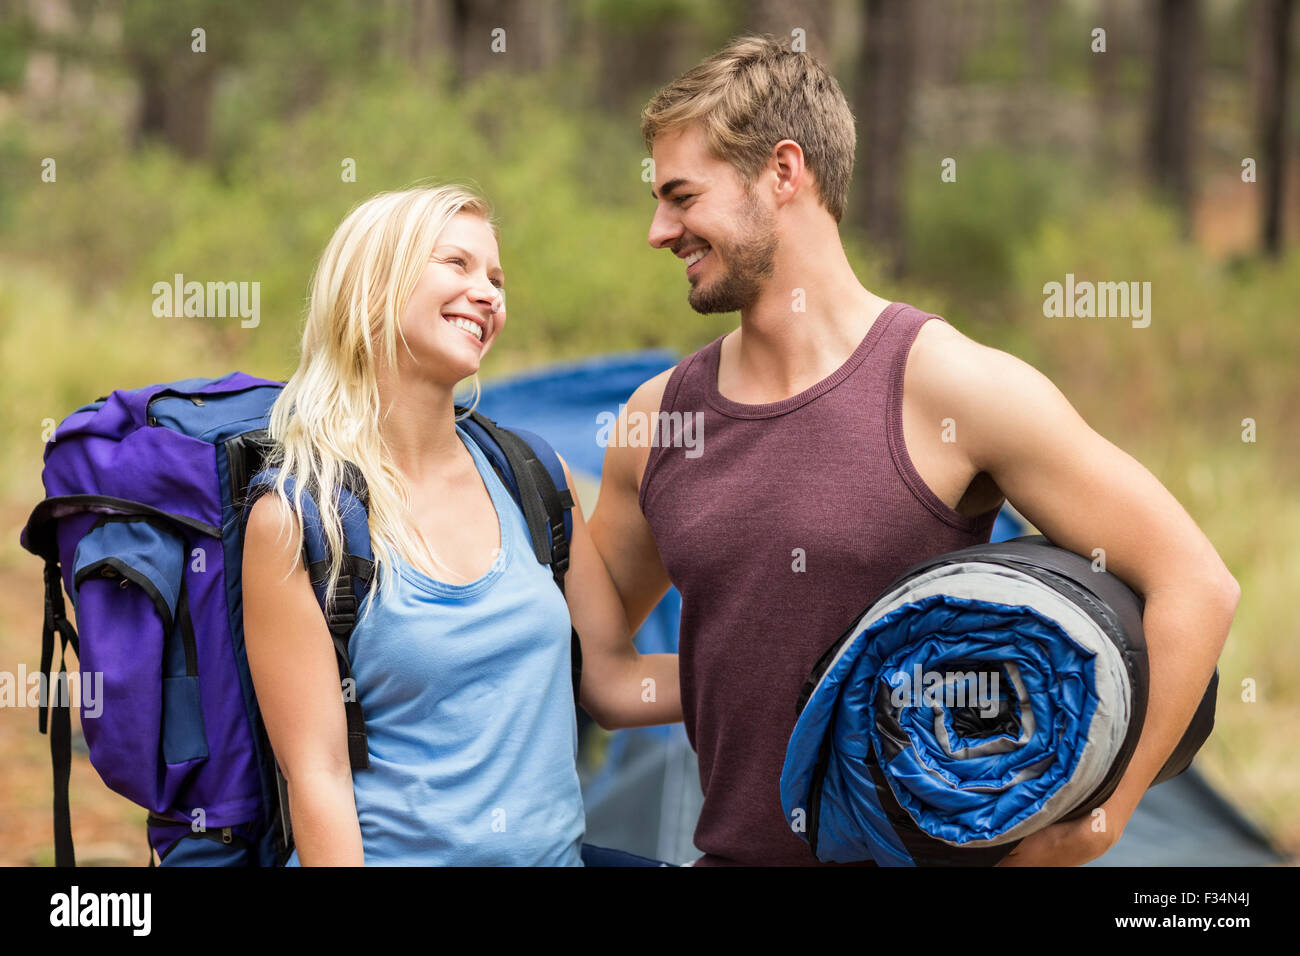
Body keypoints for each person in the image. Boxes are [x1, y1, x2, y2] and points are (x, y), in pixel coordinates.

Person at [587, 34, 1239, 867]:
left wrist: (1100, 823)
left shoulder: (954, 387)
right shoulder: (658, 419)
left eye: (681, 196)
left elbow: (1197, 585)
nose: (657, 231)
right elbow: (606, 675)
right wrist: (516, 482)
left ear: (784, 172)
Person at [241, 184, 681, 866]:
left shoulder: (532, 473)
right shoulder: (301, 517)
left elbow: (614, 683)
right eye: (458, 265)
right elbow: (318, 776)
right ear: (375, 285)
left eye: (496, 278)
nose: (489, 294)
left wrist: (781, 673)